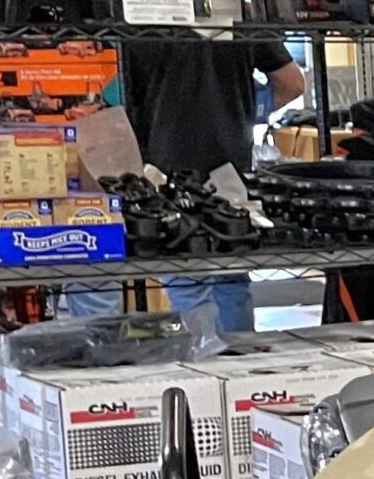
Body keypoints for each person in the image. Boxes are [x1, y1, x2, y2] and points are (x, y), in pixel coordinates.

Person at [98, 33, 305, 336]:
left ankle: (205, 367)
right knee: (232, 281)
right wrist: (248, 111)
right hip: (230, 172)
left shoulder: (133, 22)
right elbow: (292, 83)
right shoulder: (236, 16)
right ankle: (242, 366)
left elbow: (106, 102)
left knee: (188, 283)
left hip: (162, 175)